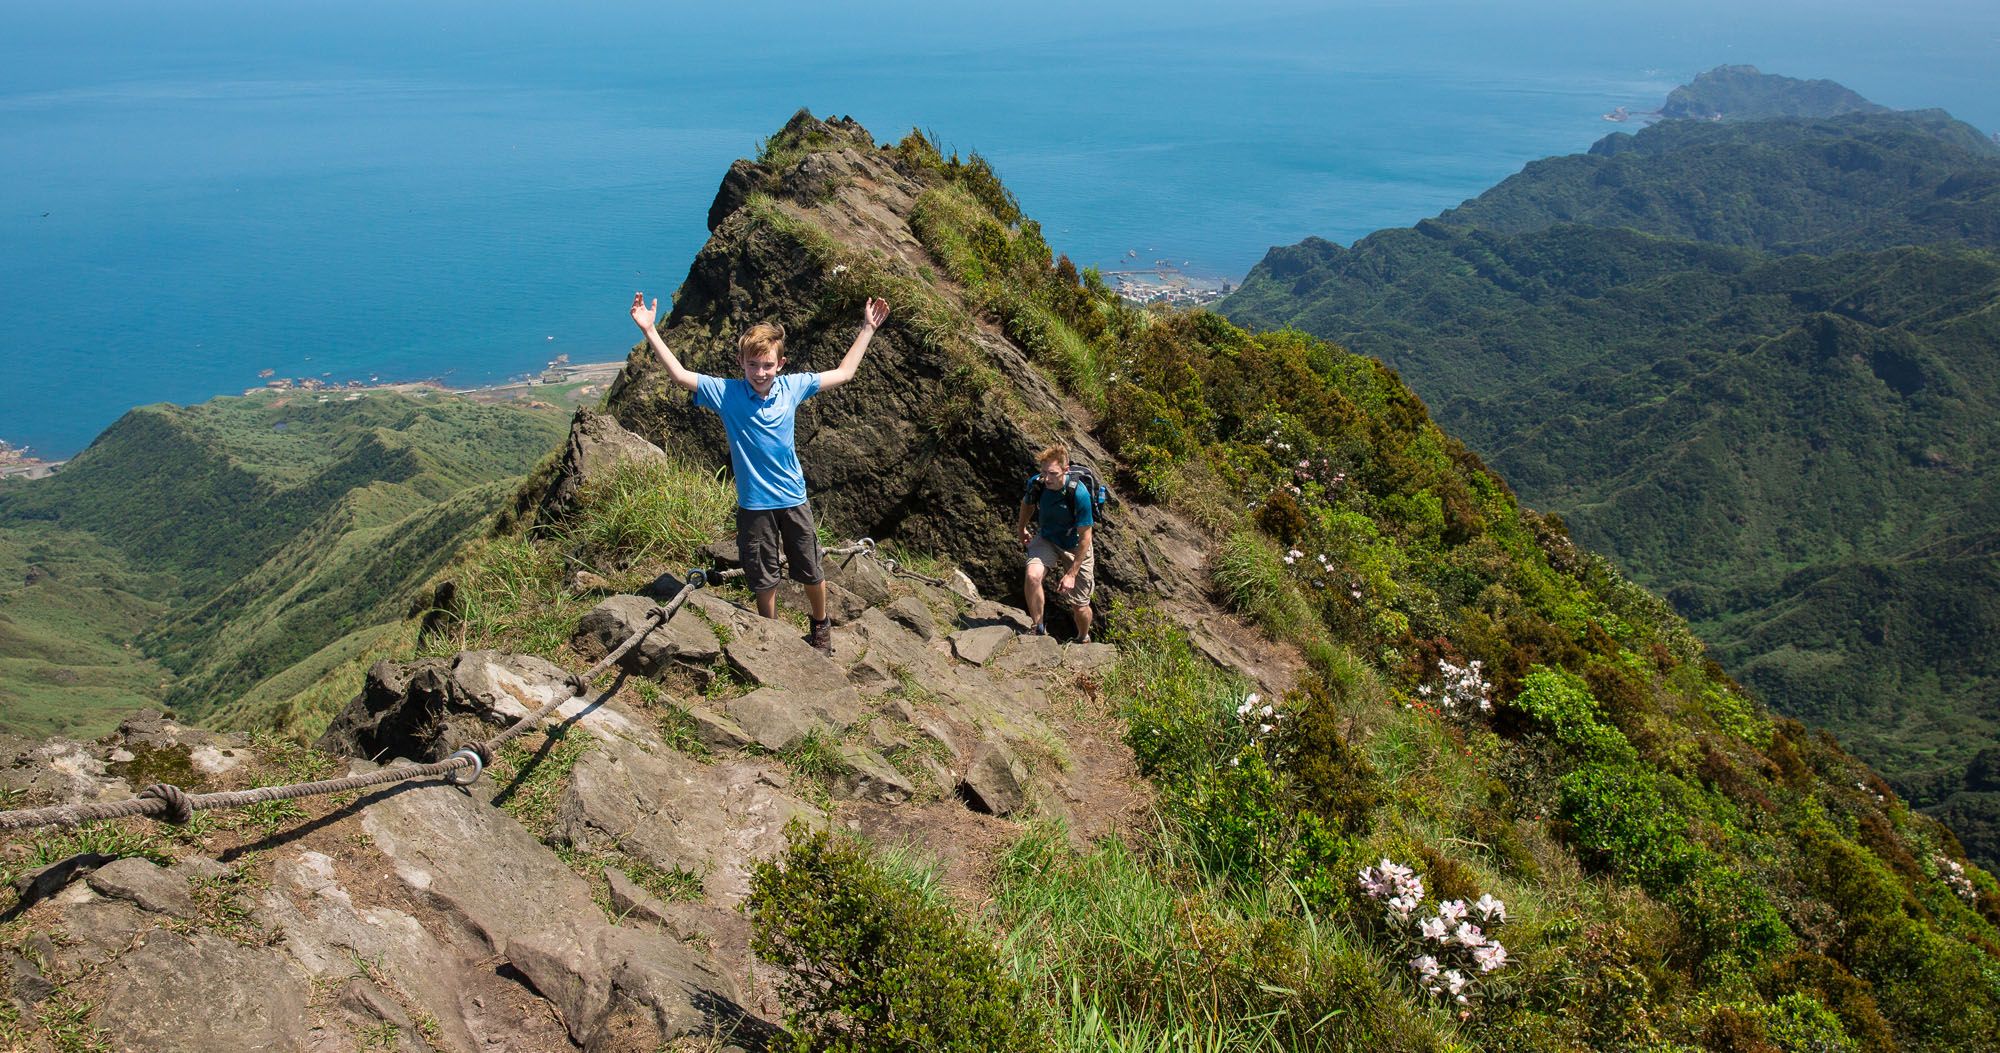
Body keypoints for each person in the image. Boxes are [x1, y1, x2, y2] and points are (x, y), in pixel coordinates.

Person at [630, 291, 890, 654]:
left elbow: (845, 373)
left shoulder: (792, 387)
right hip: (754, 505)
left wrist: (866, 329)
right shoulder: (727, 393)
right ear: (741, 363)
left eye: (767, 365)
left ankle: (821, 626)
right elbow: (679, 375)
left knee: (811, 570)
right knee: (763, 577)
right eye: (753, 365)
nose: (760, 373)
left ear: (780, 363)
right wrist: (650, 330)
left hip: (793, 499)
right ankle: (772, 634)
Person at [1016, 443, 1095, 642]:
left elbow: (1086, 538)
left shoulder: (1079, 494)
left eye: (1052, 473)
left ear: (1065, 470)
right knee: (1032, 576)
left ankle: (1083, 636)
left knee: (1080, 605)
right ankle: (1038, 627)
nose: (1047, 478)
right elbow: (1027, 504)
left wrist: (1071, 574)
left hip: (1075, 546)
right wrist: (1022, 528)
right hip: (1047, 538)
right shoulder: (1037, 483)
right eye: (1044, 472)